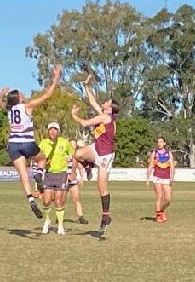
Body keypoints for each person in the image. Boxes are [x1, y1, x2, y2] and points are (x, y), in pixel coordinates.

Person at [0, 64, 62, 219]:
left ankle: (31, 200)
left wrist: (1, 94)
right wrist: (56, 78)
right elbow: (47, 95)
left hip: (13, 144)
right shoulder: (27, 106)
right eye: (21, 93)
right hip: (27, 142)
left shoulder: (10, 109)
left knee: (23, 174)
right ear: (18, 98)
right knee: (42, 158)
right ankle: (39, 174)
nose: (23, 93)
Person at [70, 74, 119, 237]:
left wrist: (74, 116)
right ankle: (89, 166)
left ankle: (106, 217)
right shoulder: (105, 115)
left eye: (108, 102)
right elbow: (92, 101)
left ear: (110, 109)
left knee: (101, 188)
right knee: (77, 154)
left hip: (105, 155)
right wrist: (86, 86)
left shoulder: (106, 117)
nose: (104, 102)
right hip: (96, 149)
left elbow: (84, 123)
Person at [38, 122, 74, 235]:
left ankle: (60, 226)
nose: (52, 131)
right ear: (48, 131)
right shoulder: (43, 143)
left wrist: (72, 171)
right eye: (50, 129)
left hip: (61, 175)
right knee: (46, 200)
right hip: (48, 174)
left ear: (58, 131)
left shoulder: (64, 142)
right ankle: (47, 220)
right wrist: (43, 160)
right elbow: (37, 157)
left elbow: (72, 155)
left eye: (55, 129)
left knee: (58, 201)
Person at [146, 137, 175, 223]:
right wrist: (147, 178)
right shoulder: (154, 153)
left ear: (164, 143)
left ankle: (162, 210)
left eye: (161, 142)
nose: (159, 143)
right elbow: (151, 165)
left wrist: (172, 176)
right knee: (159, 196)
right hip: (157, 177)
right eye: (158, 142)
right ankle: (158, 216)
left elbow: (172, 166)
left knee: (168, 200)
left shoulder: (169, 153)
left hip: (166, 177)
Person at [68, 139, 88, 224]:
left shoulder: (76, 156)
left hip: (73, 181)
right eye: (71, 144)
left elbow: (80, 167)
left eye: (74, 144)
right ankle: (59, 217)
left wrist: (82, 178)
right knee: (60, 200)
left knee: (77, 199)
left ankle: (81, 217)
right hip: (63, 180)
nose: (72, 145)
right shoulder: (63, 154)